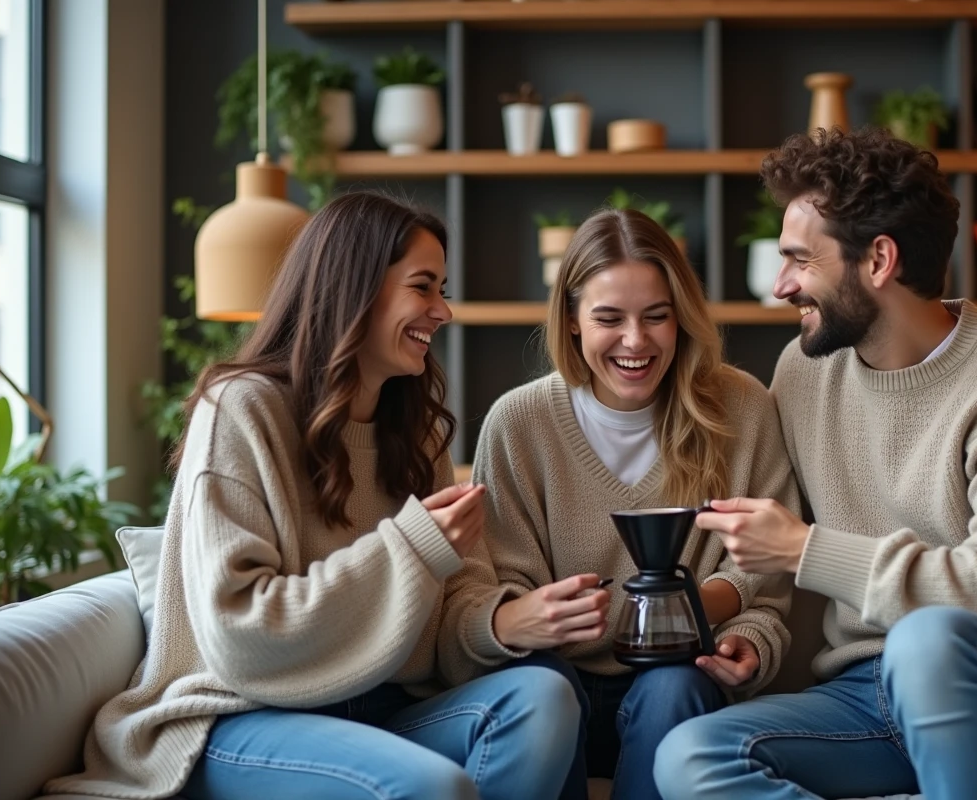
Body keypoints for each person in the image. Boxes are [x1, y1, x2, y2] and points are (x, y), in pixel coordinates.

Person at [654, 127, 977, 800]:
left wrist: (807, 550)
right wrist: (750, 639)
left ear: (879, 260)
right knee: (689, 755)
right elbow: (761, 552)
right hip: (870, 690)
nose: (780, 285)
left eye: (800, 260)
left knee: (930, 642)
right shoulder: (803, 371)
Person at [45, 192, 580, 800]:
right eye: (423, 287)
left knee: (545, 694)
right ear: (356, 288)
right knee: (429, 786)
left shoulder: (417, 430)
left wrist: (502, 622)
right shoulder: (243, 409)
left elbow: (447, 609)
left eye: (444, 291)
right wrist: (408, 548)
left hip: (375, 707)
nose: (442, 312)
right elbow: (238, 633)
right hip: (236, 714)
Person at [441, 207, 800, 800]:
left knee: (674, 683)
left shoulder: (742, 409)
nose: (636, 341)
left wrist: (751, 644)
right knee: (540, 688)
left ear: (681, 319)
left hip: (682, 683)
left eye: (657, 317)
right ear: (573, 321)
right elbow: (490, 592)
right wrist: (526, 616)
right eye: (609, 318)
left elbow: (767, 580)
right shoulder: (519, 423)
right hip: (552, 679)